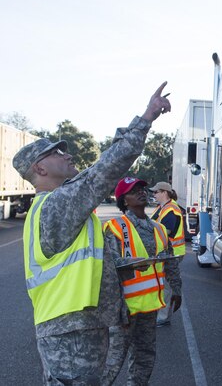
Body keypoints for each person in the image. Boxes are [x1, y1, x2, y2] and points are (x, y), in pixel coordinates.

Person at [12, 82, 171, 385]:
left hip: (75, 329)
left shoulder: (59, 204)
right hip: (70, 333)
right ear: (40, 169)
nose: (66, 155)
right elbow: (104, 171)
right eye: (56, 152)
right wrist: (145, 119)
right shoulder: (57, 205)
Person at [101, 177, 182, 385]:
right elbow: (108, 269)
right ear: (124, 200)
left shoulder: (158, 228)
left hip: (148, 307)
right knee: (113, 361)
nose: (141, 192)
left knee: (145, 356)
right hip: (124, 308)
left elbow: (169, 261)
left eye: (142, 189)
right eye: (133, 190)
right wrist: (116, 307)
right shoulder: (116, 228)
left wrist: (177, 290)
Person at [150, 181, 185, 326]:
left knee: (166, 286)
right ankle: (161, 314)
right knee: (162, 284)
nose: (154, 195)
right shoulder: (162, 208)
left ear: (164, 192)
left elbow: (167, 231)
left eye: (156, 192)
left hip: (172, 253)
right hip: (165, 253)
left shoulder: (171, 210)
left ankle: (164, 317)